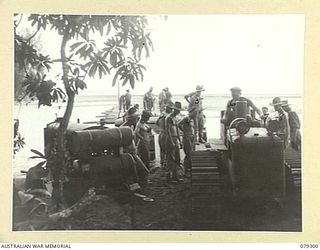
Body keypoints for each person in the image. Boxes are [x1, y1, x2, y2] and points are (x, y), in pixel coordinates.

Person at [165, 101, 184, 183]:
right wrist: (171, 142)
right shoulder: (168, 118)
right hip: (170, 139)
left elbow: (177, 130)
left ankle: (175, 177)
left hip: (175, 138)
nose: (179, 112)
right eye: (177, 110)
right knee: (170, 158)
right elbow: (168, 130)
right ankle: (169, 177)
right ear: (174, 110)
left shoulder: (175, 118)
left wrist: (180, 141)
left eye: (179, 110)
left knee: (177, 158)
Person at [178, 107, 197, 176]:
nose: (196, 114)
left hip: (191, 137)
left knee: (191, 154)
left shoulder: (192, 119)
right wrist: (184, 132)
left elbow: (193, 128)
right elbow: (179, 124)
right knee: (188, 154)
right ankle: (186, 171)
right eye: (195, 112)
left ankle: (189, 169)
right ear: (191, 112)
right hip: (187, 137)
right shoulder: (186, 118)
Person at [156, 101, 174, 168]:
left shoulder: (162, 114)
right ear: (168, 108)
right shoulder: (168, 116)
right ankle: (166, 163)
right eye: (171, 108)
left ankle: (162, 163)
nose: (172, 110)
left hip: (161, 133)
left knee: (162, 149)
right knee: (167, 149)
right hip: (166, 134)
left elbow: (157, 123)